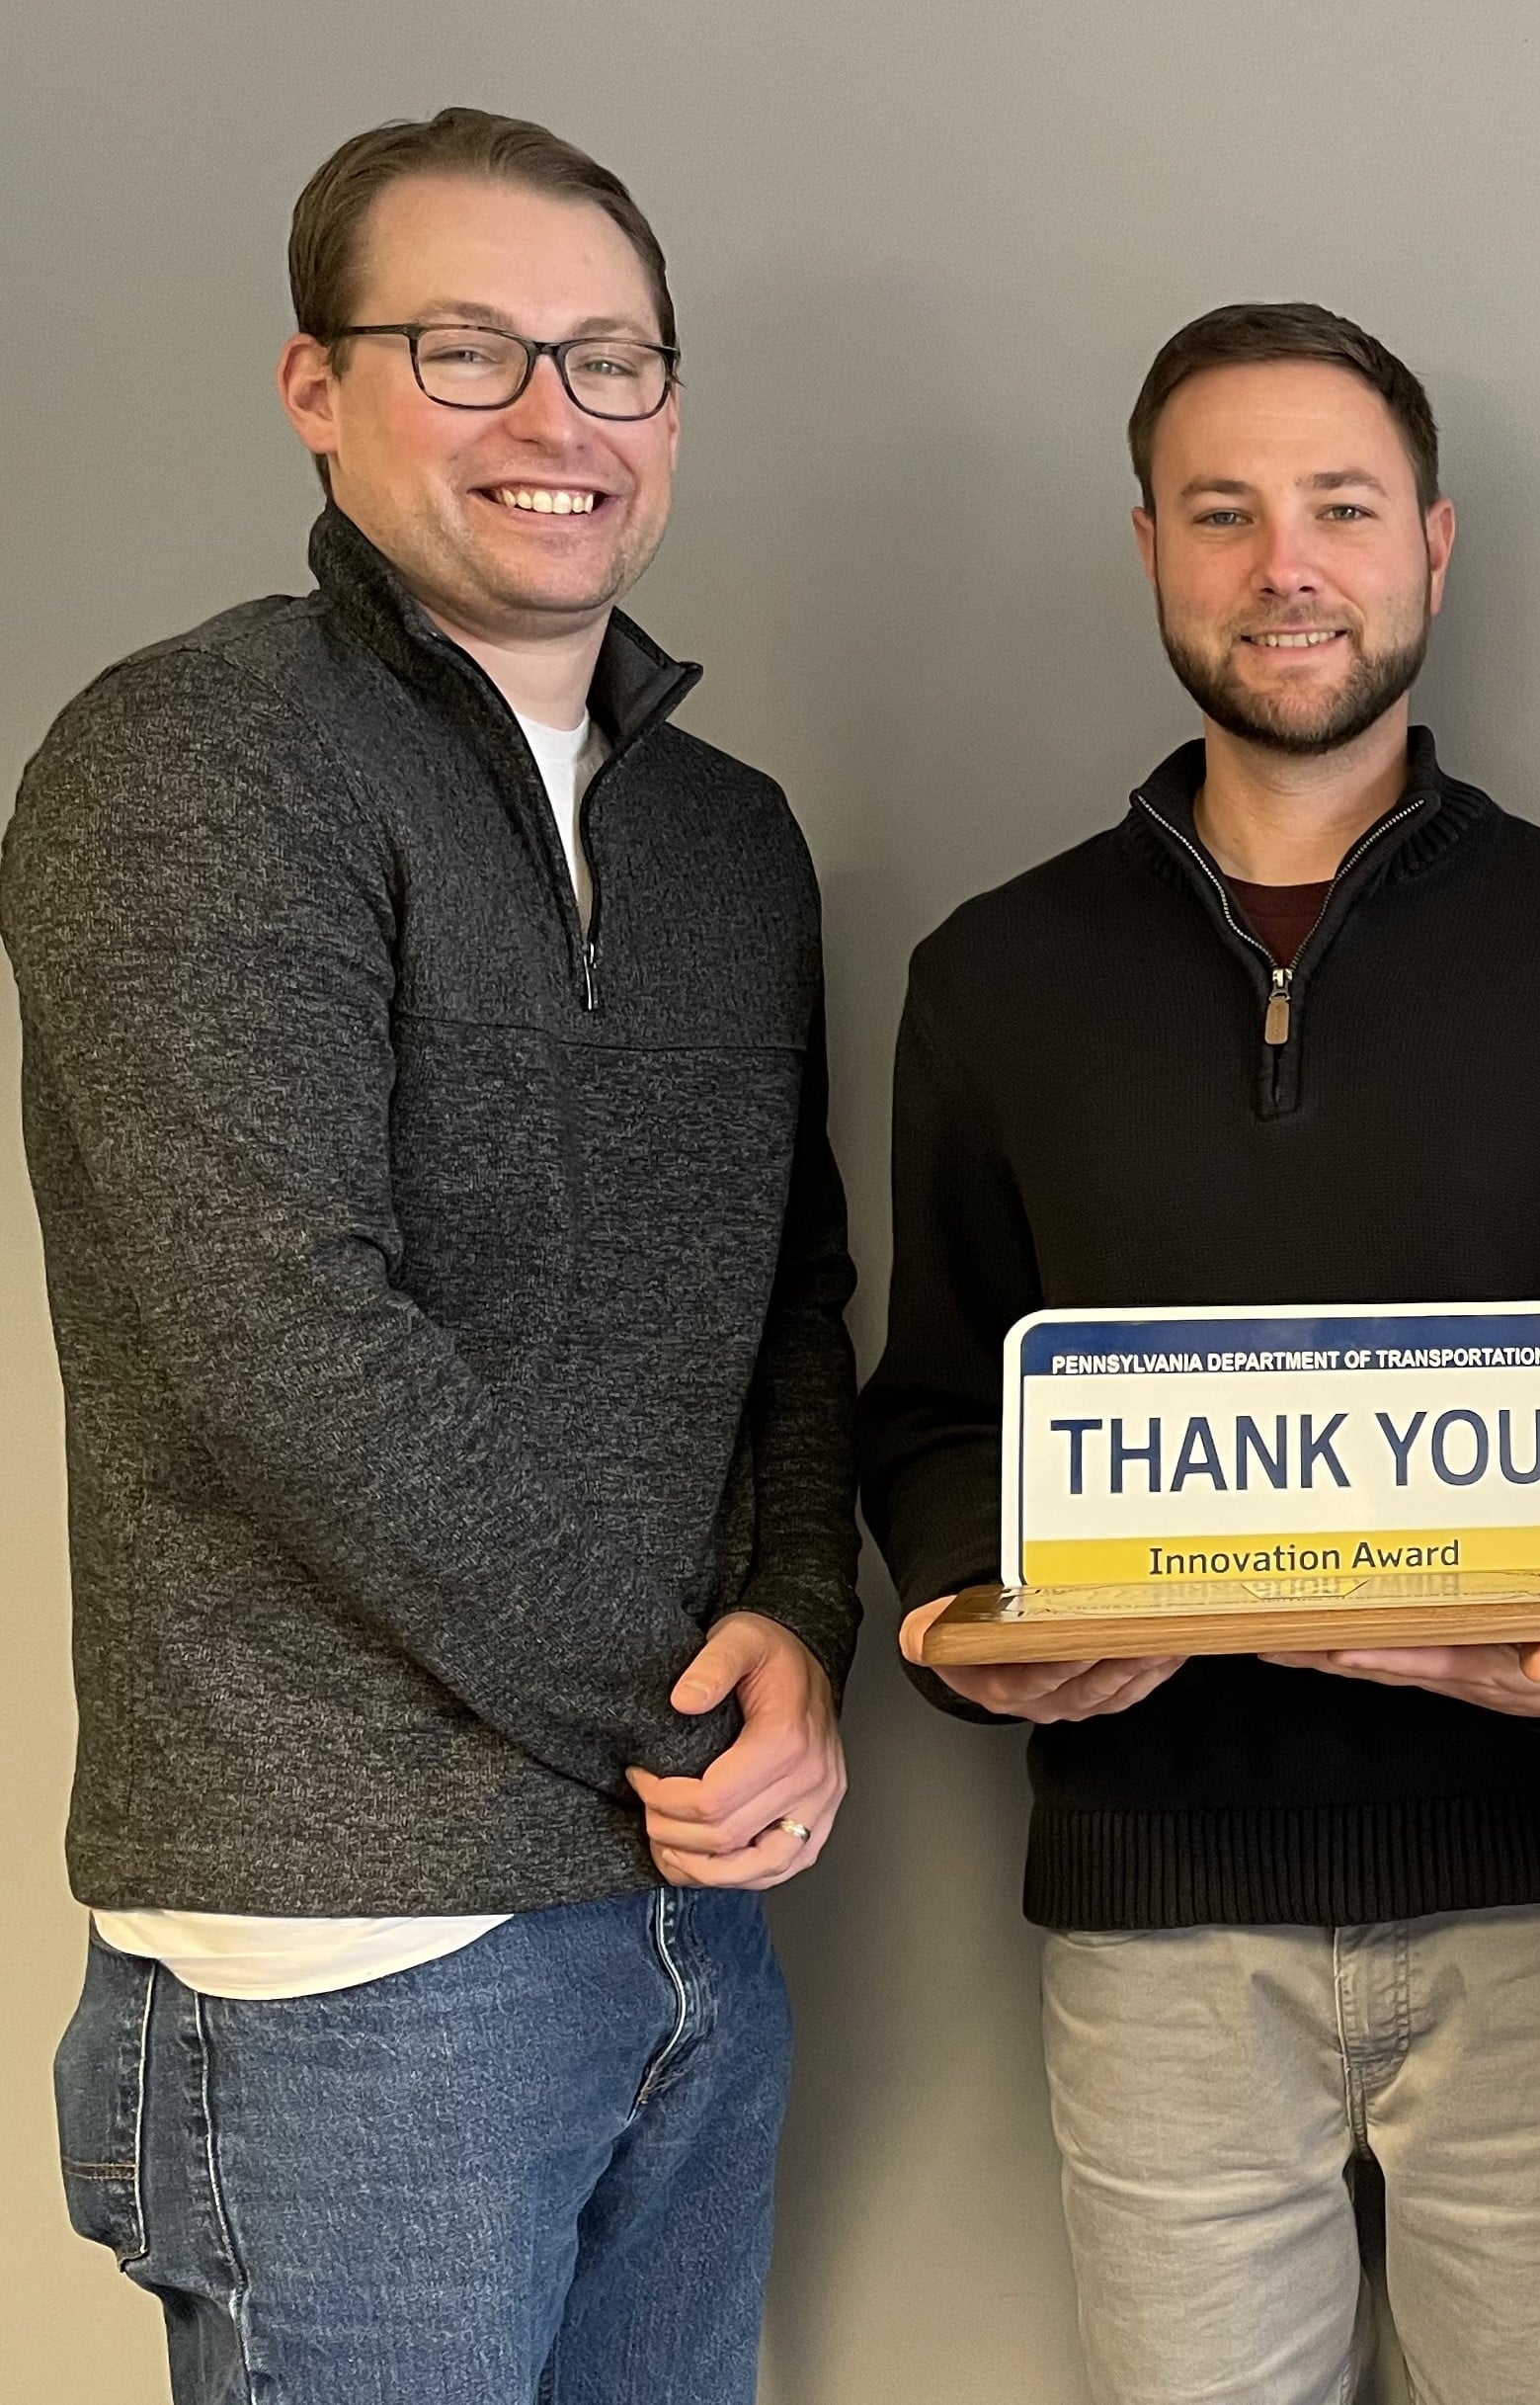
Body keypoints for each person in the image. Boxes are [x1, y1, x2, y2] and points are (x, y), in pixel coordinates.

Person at [853, 300, 1540, 2405]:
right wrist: (956, 1618)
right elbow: (930, 1407)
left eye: (1340, 507)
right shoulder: (998, 975)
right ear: (1150, 551)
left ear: (1435, 545)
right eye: (1226, 511)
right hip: (1155, 1921)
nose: (1286, 563)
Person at [11, 109, 859, 2404]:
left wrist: (802, 1622)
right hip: (347, 1953)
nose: (555, 420)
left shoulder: (728, 837)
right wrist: (680, 1713)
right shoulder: (195, 760)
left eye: (610, 359)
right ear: (317, 384)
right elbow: (276, 1342)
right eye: (467, 350)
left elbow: (783, 1297)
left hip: (689, 1916)